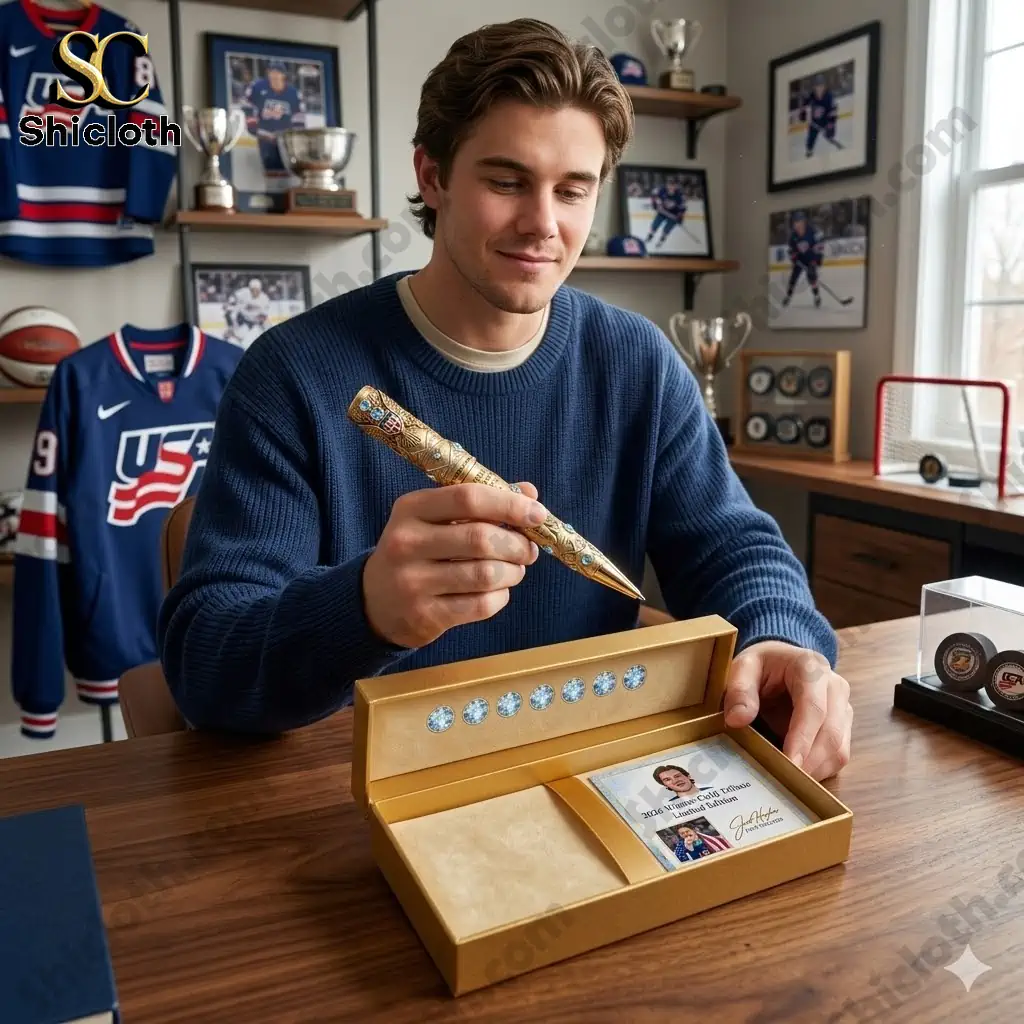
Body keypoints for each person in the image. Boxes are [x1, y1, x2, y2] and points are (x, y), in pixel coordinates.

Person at [158, 18, 853, 782]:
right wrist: (366, 607)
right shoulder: (294, 373)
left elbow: (731, 545)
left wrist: (781, 637)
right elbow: (206, 664)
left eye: (573, 190)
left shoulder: (638, 362)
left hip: (589, 773)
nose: (543, 225)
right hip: (363, 798)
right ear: (432, 176)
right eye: (506, 181)